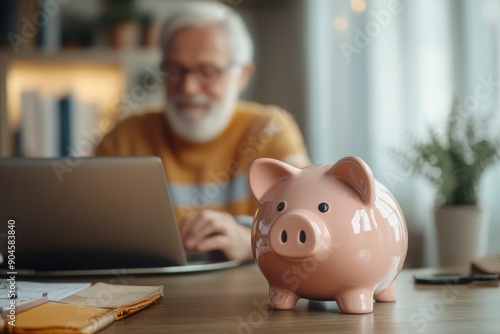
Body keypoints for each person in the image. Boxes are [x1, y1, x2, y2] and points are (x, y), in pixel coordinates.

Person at [94, 1, 310, 262]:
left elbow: (308, 229)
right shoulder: (124, 138)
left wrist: (248, 240)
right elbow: (90, 233)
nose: (188, 88)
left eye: (207, 71)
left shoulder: (270, 131)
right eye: (175, 69)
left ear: (242, 75)